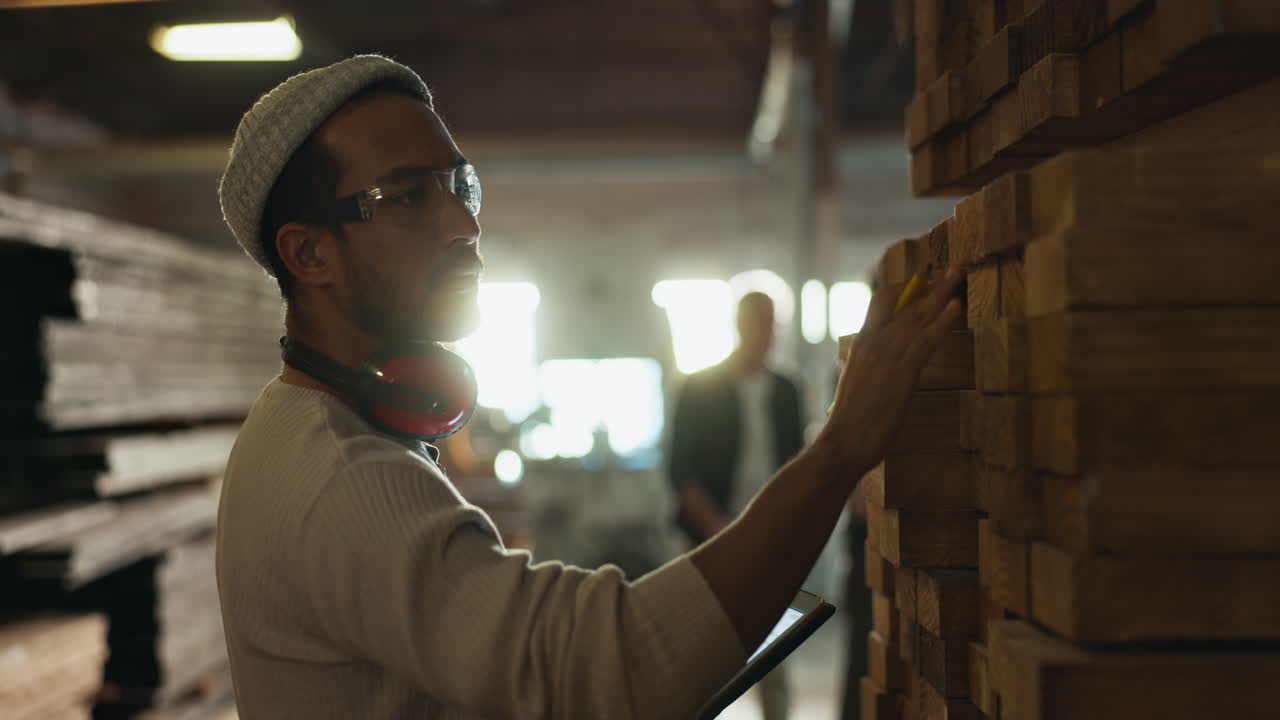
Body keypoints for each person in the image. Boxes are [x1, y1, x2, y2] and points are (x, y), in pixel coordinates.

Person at [214, 55, 963, 720]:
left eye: (459, 184)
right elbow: (606, 674)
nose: (464, 222)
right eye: (408, 197)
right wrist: (843, 446)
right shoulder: (342, 477)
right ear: (309, 253)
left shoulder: (327, 431)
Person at [668, 291, 804, 719]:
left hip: (770, 539)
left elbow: (798, 466)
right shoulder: (700, 386)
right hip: (707, 537)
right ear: (740, 325)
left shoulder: (786, 392)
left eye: (770, 323)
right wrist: (722, 531)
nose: (764, 333)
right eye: (756, 322)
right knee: (701, 651)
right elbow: (679, 470)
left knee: (775, 652)